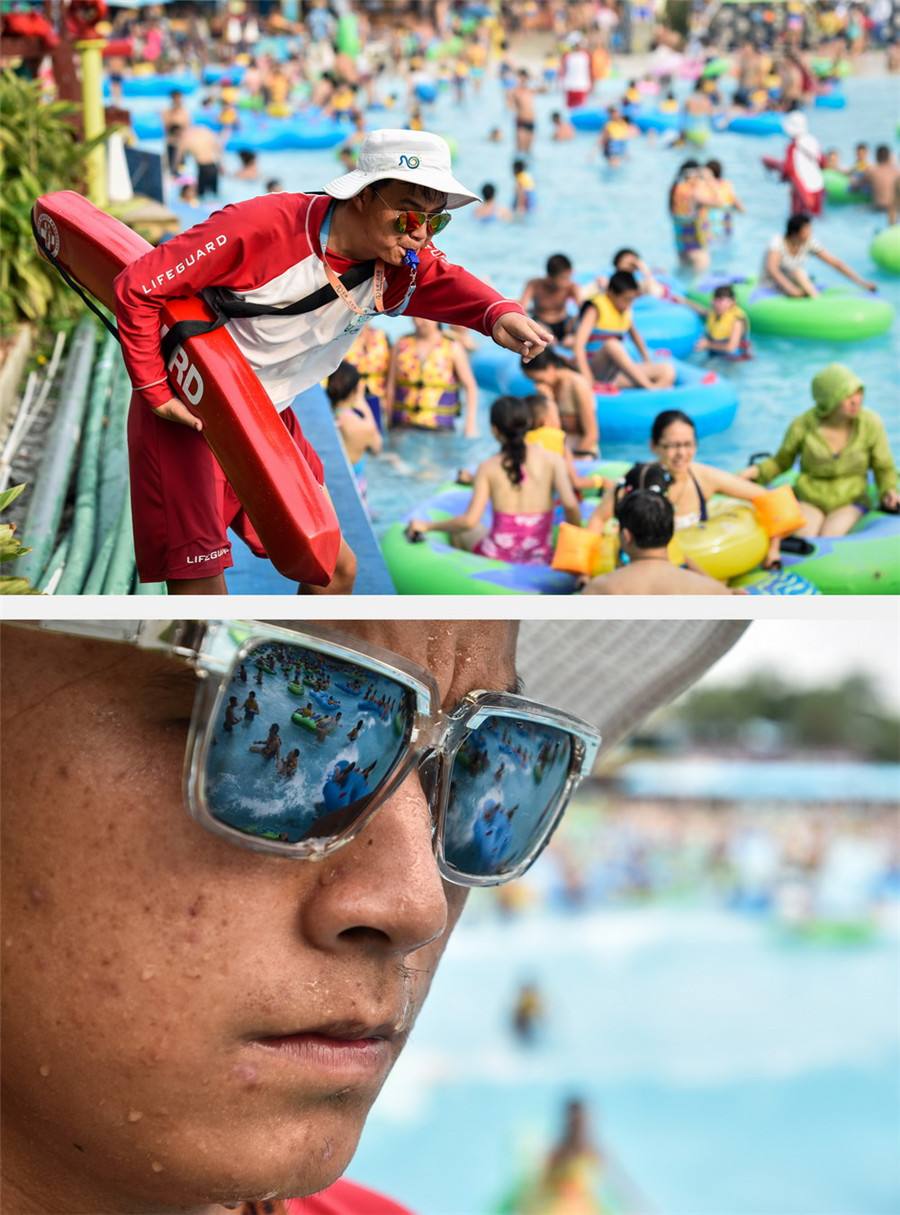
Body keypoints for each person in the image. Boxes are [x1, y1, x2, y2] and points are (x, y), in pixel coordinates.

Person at [113, 129, 548, 595]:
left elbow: (443, 276)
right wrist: (155, 392)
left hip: (265, 414)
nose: (419, 233)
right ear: (363, 195)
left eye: (434, 220)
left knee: (334, 572)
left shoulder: (401, 258)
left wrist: (497, 313)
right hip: (191, 410)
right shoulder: (263, 226)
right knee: (202, 593)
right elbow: (138, 286)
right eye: (408, 215)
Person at [408, 395, 582, 564]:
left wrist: (427, 526)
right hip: (539, 557)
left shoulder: (488, 467)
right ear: (527, 423)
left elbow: (469, 522)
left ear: (494, 430)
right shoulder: (552, 460)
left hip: (496, 556)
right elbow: (571, 506)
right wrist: (573, 548)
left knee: (459, 532)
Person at [742, 363, 898, 535]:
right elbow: (781, 462)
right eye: (847, 396)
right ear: (829, 400)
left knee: (831, 534)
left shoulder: (870, 424)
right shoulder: (802, 425)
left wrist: (889, 491)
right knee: (806, 536)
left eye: (858, 392)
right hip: (810, 498)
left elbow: (883, 467)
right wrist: (752, 473)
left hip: (850, 499)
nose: (856, 400)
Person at [584, 465, 739, 595]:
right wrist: (728, 592)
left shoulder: (599, 589)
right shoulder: (710, 590)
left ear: (626, 536)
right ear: (671, 534)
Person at [573, 271, 676, 392]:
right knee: (612, 344)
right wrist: (588, 378)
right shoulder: (595, 309)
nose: (628, 304)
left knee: (667, 370)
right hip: (595, 369)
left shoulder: (625, 310)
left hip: (614, 375)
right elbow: (578, 345)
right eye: (626, 299)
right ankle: (649, 388)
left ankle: (651, 395)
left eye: (631, 300)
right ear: (611, 293)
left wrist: (647, 360)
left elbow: (636, 337)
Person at [386, 318, 479, 436]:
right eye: (415, 316)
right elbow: (391, 386)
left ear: (436, 318)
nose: (420, 322)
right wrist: (388, 421)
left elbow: (470, 386)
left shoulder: (452, 346)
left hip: (440, 428)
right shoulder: (401, 345)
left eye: (424, 317)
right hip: (403, 425)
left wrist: (470, 425)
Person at [762, 212, 877, 297]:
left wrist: (862, 283)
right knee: (798, 272)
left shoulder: (808, 243)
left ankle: (813, 296)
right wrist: (791, 289)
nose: (810, 233)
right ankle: (816, 300)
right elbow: (772, 269)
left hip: (797, 282)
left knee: (801, 273)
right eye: (806, 230)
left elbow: (836, 264)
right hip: (773, 286)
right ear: (795, 233)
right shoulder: (777, 242)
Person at [521, 349, 599, 457]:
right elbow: (546, 431)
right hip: (558, 450)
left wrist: (572, 462)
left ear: (550, 367)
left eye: (538, 379)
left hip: (582, 451)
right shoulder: (546, 390)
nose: (537, 385)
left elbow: (592, 434)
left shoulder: (577, 385)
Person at [325, 361, 382, 504]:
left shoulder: (321, 420)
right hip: (353, 497)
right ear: (355, 391)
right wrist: (365, 407)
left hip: (327, 493)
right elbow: (377, 448)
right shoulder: (362, 427)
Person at [668, 160, 719, 271]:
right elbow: (717, 202)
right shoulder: (694, 191)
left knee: (684, 270)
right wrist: (709, 180)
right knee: (701, 268)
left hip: (680, 237)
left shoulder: (676, 188)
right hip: (695, 237)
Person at [520, 254, 581, 344]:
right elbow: (522, 309)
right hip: (541, 323)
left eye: (569, 277)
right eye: (563, 278)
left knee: (576, 325)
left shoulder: (571, 287)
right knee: (541, 338)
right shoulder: (535, 285)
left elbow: (584, 309)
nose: (567, 281)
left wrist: (574, 331)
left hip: (564, 324)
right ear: (550, 277)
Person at [344, 324, 392, 430]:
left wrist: (389, 407)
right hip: (350, 402)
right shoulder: (343, 337)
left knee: (378, 441)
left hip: (378, 401)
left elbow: (390, 377)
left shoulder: (383, 337)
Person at [781, 111, 824, 216]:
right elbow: (822, 161)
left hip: (802, 190)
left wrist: (782, 176)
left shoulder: (792, 147)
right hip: (818, 186)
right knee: (815, 219)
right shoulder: (812, 140)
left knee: (798, 220)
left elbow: (789, 170)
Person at [694, 285, 751, 358]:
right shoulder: (715, 313)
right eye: (716, 300)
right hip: (716, 351)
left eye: (721, 301)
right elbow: (701, 311)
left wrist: (708, 344)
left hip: (733, 358)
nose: (718, 305)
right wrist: (683, 301)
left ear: (732, 302)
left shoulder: (737, 321)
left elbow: (731, 347)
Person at [860, 145, 900, 214]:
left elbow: (856, 186)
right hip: (895, 208)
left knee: (860, 209)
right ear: (888, 157)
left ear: (876, 157)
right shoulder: (896, 172)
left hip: (879, 208)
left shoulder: (871, 171)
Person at [161, 88, 190, 175]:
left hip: (181, 144)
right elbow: (167, 127)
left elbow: (187, 128)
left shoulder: (185, 112)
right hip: (171, 143)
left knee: (182, 168)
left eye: (179, 99)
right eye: (176, 99)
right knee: (171, 168)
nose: (178, 101)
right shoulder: (167, 112)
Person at [508, 68, 536, 154]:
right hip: (521, 120)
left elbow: (545, 89)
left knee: (529, 150)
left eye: (524, 77)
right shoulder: (514, 91)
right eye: (520, 78)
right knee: (519, 148)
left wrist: (535, 78)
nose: (522, 80)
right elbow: (509, 105)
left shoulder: (530, 90)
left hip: (531, 120)